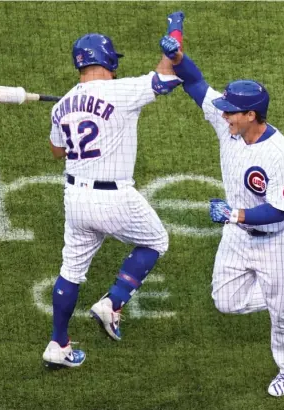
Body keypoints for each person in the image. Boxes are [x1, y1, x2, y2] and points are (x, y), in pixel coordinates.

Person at [160, 14, 284, 397]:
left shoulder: (279, 154)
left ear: (250, 115)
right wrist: (177, 55)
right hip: (237, 236)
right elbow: (194, 83)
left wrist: (233, 213)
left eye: (230, 111)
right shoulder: (230, 126)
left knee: (281, 312)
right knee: (224, 301)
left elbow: (279, 210)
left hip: (273, 240)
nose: (223, 115)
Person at [43, 28, 183, 369]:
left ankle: (57, 344)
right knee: (155, 240)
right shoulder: (120, 90)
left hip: (75, 199)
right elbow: (166, 78)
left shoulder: (61, 105)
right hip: (115, 198)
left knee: (71, 271)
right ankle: (113, 302)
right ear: (106, 61)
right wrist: (173, 39)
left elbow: (56, 151)